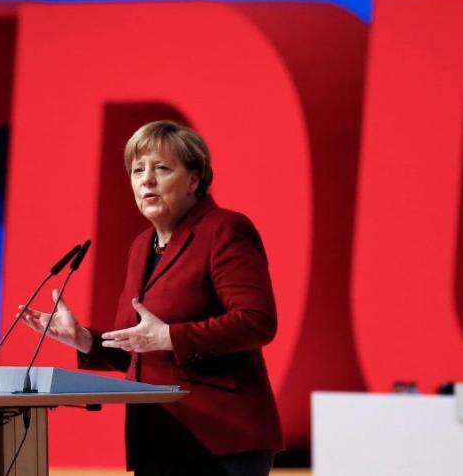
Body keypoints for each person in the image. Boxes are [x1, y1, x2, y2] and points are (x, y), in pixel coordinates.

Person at [20, 120, 283, 475]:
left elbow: (257, 322)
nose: (146, 180)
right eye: (137, 170)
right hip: (158, 437)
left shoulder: (224, 230)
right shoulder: (142, 246)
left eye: (161, 168)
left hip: (222, 438)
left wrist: (170, 336)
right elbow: (144, 350)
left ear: (194, 180)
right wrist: (83, 340)